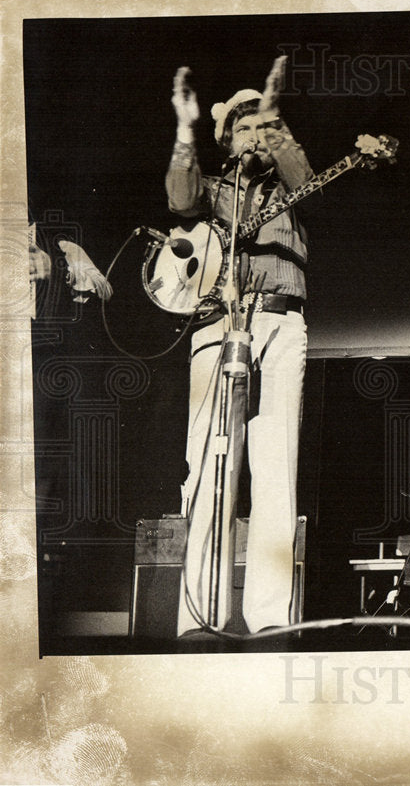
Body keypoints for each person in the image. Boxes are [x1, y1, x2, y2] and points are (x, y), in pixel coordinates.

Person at [166, 57, 312, 635]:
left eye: (263, 125)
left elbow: (304, 178)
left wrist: (279, 127)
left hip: (281, 321)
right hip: (217, 323)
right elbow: (180, 201)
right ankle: (201, 614)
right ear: (227, 138)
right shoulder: (213, 187)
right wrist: (185, 130)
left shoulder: (290, 183)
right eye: (244, 127)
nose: (254, 135)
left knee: (276, 466)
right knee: (208, 464)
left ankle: (271, 617)